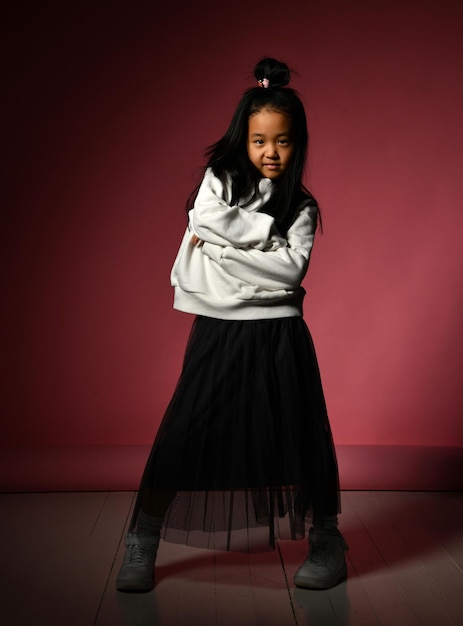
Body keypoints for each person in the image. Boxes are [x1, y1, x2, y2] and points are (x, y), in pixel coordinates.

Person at [116, 57, 348, 593]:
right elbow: (205, 221)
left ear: (299, 142)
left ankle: (327, 539)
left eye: (283, 142)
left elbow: (290, 269)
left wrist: (225, 250)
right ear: (243, 139)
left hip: (280, 333)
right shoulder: (217, 180)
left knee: (299, 436)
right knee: (186, 432)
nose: (271, 152)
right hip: (219, 329)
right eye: (260, 140)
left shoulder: (303, 208)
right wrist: (263, 246)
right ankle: (143, 536)